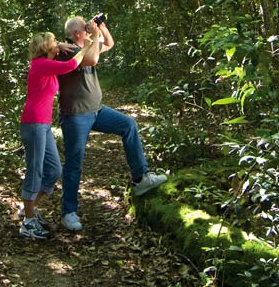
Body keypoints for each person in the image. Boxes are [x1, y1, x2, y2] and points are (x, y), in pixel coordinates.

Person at [56, 15, 167, 232]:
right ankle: (68, 212)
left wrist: (102, 28)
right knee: (74, 163)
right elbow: (92, 60)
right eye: (85, 27)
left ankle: (141, 177)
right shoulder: (66, 52)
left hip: (97, 111)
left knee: (128, 125)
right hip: (75, 116)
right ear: (77, 32)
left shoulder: (88, 44)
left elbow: (109, 44)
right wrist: (94, 34)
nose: (88, 29)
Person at [18, 27, 99, 239]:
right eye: (54, 41)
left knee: (53, 170)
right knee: (34, 171)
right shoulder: (41, 65)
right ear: (47, 47)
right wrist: (88, 45)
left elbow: (63, 57)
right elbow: (72, 64)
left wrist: (59, 46)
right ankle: (27, 222)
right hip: (33, 123)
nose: (58, 43)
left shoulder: (46, 63)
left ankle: (29, 209)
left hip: (43, 124)